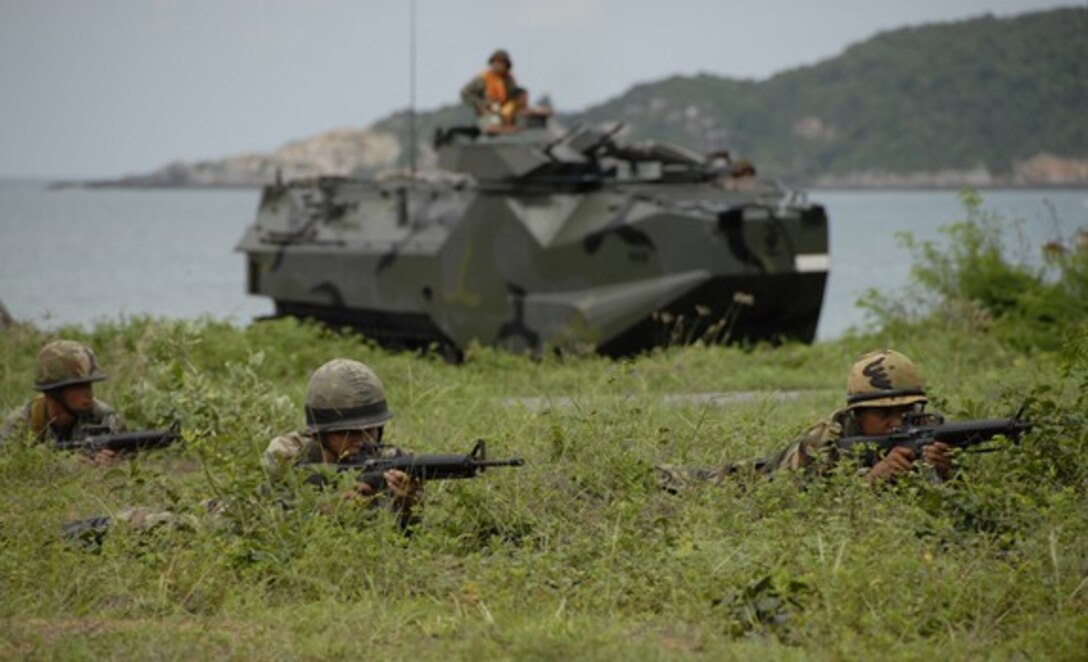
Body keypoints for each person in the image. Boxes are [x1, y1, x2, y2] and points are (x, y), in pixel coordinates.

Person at [656, 349, 954, 490]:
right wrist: (872, 479)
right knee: (702, 483)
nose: (896, 422)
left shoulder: (925, 429)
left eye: (905, 412)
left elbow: (961, 495)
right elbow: (794, 497)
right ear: (857, 414)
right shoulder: (823, 440)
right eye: (884, 414)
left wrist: (946, 472)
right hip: (758, 481)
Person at [262, 358, 422, 523]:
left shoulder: (393, 460)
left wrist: (408, 505)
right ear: (318, 434)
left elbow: (410, 538)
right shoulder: (288, 455)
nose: (362, 440)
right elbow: (267, 520)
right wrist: (323, 510)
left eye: (370, 430)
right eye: (349, 433)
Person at [0, 339, 126, 464]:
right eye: (79, 387)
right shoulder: (21, 424)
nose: (89, 394)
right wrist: (57, 465)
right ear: (54, 391)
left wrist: (114, 461)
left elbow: (131, 455)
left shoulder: (105, 417)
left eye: (89, 385)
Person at [460, 49, 530, 134]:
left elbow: (513, 95)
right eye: (495, 62)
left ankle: (513, 127)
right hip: (489, 110)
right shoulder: (484, 78)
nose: (497, 65)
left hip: (505, 111)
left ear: (506, 65)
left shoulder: (509, 80)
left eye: (501, 63)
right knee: (491, 127)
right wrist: (481, 104)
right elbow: (465, 93)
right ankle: (505, 130)